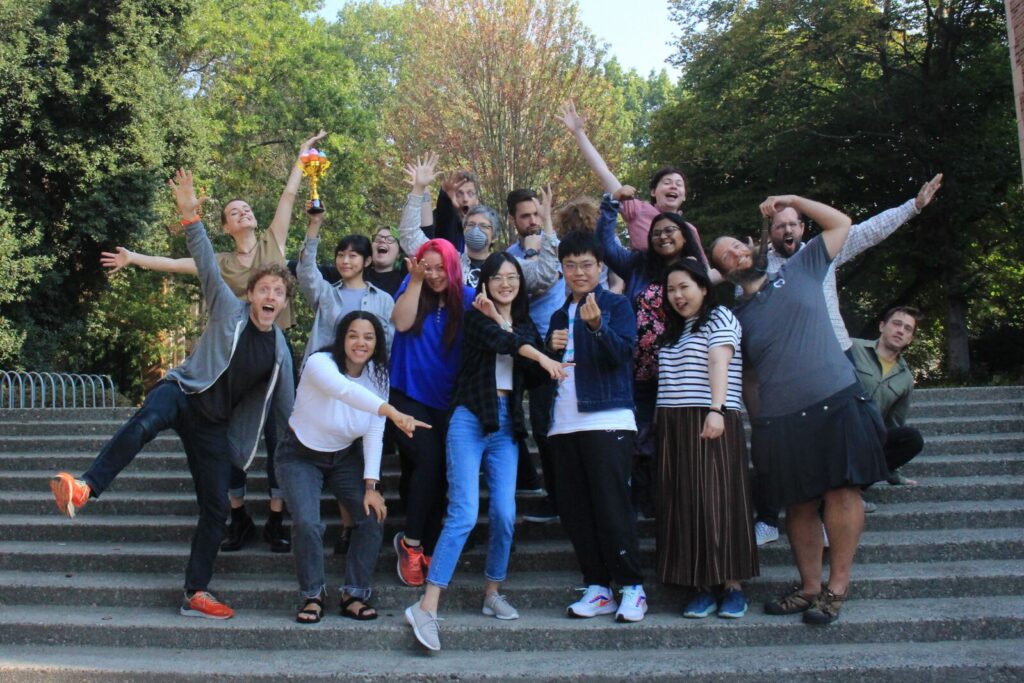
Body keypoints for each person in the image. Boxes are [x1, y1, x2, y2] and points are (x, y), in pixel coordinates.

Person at [49, 169, 295, 619]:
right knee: (144, 421)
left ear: (283, 302)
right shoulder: (228, 306)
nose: (271, 296)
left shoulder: (279, 349)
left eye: (278, 292)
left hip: (214, 427)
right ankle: (85, 487)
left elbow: (285, 408)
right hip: (183, 392)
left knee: (217, 507)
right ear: (252, 293)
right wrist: (190, 217)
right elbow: (203, 260)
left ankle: (195, 593)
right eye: (264, 289)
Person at [99, 130, 331, 553]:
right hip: (232, 359)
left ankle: (276, 518)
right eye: (233, 211)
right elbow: (175, 262)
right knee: (232, 438)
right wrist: (133, 258)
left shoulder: (271, 243)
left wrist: (301, 159)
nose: (242, 212)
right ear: (225, 226)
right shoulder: (221, 262)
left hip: (275, 352)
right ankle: (238, 514)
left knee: (281, 433)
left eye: (246, 209)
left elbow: (288, 199)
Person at [710, 194, 888, 626]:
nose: (735, 252)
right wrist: (760, 425)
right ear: (724, 271)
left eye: (737, 244)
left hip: (837, 400)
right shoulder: (734, 317)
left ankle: (837, 587)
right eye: (724, 255)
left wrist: (792, 201)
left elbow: (841, 222)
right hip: (783, 420)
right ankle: (809, 587)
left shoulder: (801, 266)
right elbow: (748, 378)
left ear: (753, 246)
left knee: (842, 492)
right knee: (800, 506)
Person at [748, 174, 942, 546]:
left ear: (803, 226)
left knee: (853, 438)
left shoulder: (821, 251)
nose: (787, 229)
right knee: (775, 443)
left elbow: (869, 230)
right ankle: (769, 517)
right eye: (779, 225)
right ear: (770, 232)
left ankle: (833, 504)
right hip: (787, 370)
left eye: (793, 223)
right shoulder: (761, 267)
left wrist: (913, 207)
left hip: (836, 359)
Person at [404, 254, 571, 651]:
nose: (506, 283)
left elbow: (531, 374)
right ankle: (426, 606)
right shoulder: (478, 316)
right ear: (487, 283)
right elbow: (503, 342)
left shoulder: (525, 324)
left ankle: (492, 591)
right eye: (498, 277)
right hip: (470, 416)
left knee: (504, 513)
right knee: (462, 512)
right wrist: (522, 339)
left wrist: (550, 352)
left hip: (506, 424)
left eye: (513, 277)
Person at [277, 311, 429, 624]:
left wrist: (371, 485)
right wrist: (393, 412)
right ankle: (312, 595)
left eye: (369, 337)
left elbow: (373, 429)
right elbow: (345, 391)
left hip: (345, 456)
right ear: (342, 338)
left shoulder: (378, 374)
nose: (361, 343)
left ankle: (355, 593)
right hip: (300, 454)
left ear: (377, 343)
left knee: (372, 516)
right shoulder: (320, 363)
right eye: (353, 335)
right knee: (307, 522)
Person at [545, 231, 647, 623]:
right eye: (570, 265)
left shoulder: (616, 305)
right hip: (562, 425)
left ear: (600, 267)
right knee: (577, 512)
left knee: (612, 508)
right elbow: (548, 375)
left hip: (607, 419)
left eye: (586, 264)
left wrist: (596, 328)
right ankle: (598, 586)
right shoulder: (557, 315)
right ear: (562, 270)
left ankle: (633, 587)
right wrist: (549, 349)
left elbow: (624, 354)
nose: (578, 272)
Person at [595, 190, 710, 519]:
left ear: (684, 236)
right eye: (656, 232)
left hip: (685, 375)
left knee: (677, 439)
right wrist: (609, 207)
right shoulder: (638, 265)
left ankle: (675, 501)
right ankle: (643, 498)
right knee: (640, 436)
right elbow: (606, 247)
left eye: (670, 230)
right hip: (641, 372)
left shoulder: (695, 271)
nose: (662, 236)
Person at [655, 260, 758, 619]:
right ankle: (699, 586)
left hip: (712, 415)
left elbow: (720, 361)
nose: (678, 295)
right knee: (683, 502)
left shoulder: (721, 318)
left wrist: (717, 409)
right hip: (672, 421)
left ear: (703, 287)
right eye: (671, 289)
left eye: (684, 286)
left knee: (720, 500)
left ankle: (732, 585)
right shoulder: (672, 331)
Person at [296, 205, 396, 555]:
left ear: (367, 260)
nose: (346, 260)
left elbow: (387, 343)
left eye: (354, 255)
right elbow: (305, 271)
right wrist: (314, 228)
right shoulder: (327, 293)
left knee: (355, 453)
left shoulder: (382, 300)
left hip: (366, 384)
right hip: (326, 383)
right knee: (335, 449)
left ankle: (354, 525)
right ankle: (346, 529)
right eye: (341, 255)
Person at [390, 238, 476, 587]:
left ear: (454, 267)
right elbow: (401, 323)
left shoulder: (468, 300)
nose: (436, 274)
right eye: (430, 267)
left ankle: (424, 545)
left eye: (442, 267)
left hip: (448, 400)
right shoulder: (412, 287)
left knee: (436, 472)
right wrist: (415, 280)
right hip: (406, 394)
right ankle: (411, 545)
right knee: (430, 461)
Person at [398, 154, 560, 291]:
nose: (476, 230)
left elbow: (545, 274)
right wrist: (418, 188)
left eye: (483, 226)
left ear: (494, 235)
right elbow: (409, 236)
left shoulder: (509, 266)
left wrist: (546, 223)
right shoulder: (449, 261)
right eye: (471, 225)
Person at [558, 100, 701, 251]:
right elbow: (604, 172)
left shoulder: (690, 231)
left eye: (679, 184)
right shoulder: (638, 210)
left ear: (684, 195)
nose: (673, 186)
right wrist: (579, 134)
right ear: (653, 191)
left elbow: (704, 270)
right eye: (667, 182)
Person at [850, 306, 925, 486]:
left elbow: (893, 423)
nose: (900, 330)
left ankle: (855, 487)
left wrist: (893, 471)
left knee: (912, 438)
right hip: (837, 428)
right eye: (897, 324)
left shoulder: (905, 378)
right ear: (882, 326)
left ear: (910, 339)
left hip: (867, 440)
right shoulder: (851, 347)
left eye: (907, 329)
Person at [553, 194, 623, 294]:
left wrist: (607, 302)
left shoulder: (610, 241)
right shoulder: (559, 245)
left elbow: (617, 282)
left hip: (603, 298)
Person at [365, 227, 406, 297]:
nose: (382, 240)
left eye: (390, 239)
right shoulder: (357, 275)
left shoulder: (405, 282)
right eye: (377, 238)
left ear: (399, 254)